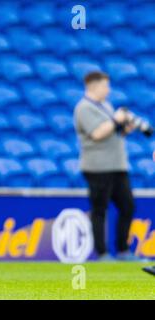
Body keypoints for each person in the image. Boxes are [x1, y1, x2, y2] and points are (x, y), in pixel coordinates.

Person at [74, 71, 141, 261]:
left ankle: (122, 250)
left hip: (117, 165)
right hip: (97, 167)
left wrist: (125, 127)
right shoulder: (84, 108)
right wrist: (115, 121)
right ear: (94, 86)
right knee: (100, 209)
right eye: (105, 85)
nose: (108, 89)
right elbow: (96, 133)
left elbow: (113, 132)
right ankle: (102, 253)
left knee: (128, 206)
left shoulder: (105, 105)